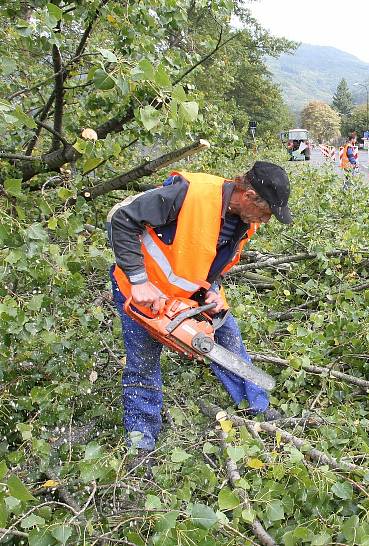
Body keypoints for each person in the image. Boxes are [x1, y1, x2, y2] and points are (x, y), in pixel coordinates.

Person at [106, 161, 292, 453]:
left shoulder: (246, 222)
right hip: (143, 291)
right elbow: (121, 219)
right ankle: (141, 444)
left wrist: (212, 290)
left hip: (189, 294)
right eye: (266, 211)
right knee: (143, 364)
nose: (265, 220)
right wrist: (139, 281)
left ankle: (256, 406)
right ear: (250, 195)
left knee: (227, 338)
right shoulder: (189, 194)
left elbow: (208, 256)